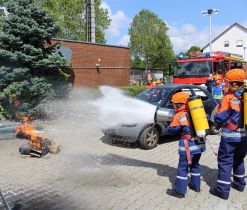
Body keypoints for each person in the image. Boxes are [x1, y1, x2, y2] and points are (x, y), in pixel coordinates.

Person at [210, 69, 247, 200]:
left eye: (227, 83)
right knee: (239, 160)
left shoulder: (229, 98)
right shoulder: (245, 97)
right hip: (244, 137)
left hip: (230, 136)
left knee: (225, 162)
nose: (226, 85)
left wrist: (215, 122)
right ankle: (240, 184)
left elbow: (220, 117)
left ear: (234, 84)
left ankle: (222, 191)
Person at [165, 92, 206, 198]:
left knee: (182, 168)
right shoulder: (194, 112)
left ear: (179, 104)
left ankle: (180, 191)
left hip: (188, 147)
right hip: (200, 145)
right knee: (195, 165)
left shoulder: (180, 115)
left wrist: (166, 125)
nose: (173, 106)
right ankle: (195, 186)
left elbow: (172, 130)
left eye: (174, 104)